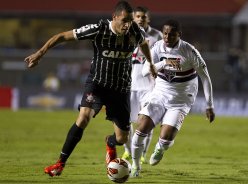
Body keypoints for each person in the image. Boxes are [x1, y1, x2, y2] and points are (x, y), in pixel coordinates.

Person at [24, 1, 157, 177]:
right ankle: (60, 164)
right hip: (97, 83)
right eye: (124, 20)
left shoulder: (134, 31)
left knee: (122, 138)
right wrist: (39, 53)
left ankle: (109, 143)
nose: (127, 24)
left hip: (120, 88)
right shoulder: (98, 29)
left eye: (130, 21)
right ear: (114, 17)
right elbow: (62, 36)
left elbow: (144, 44)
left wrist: (151, 63)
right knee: (83, 117)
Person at [130, 19, 215, 177]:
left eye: (172, 34)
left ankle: (161, 148)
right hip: (159, 95)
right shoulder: (157, 47)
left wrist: (209, 105)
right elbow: (144, 71)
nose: (167, 37)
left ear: (179, 35)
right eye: (165, 34)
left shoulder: (189, 51)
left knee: (166, 137)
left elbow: (205, 77)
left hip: (180, 100)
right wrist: (164, 63)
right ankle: (135, 167)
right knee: (141, 129)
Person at [121, 6, 162, 164]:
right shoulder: (125, 33)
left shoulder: (157, 35)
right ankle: (128, 152)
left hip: (149, 87)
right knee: (127, 122)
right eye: (137, 16)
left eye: (143, 17)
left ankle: (143, 153)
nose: (140, 19)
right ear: (133, 17)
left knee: (146, 121)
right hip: (129, 85)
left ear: (148, 19)